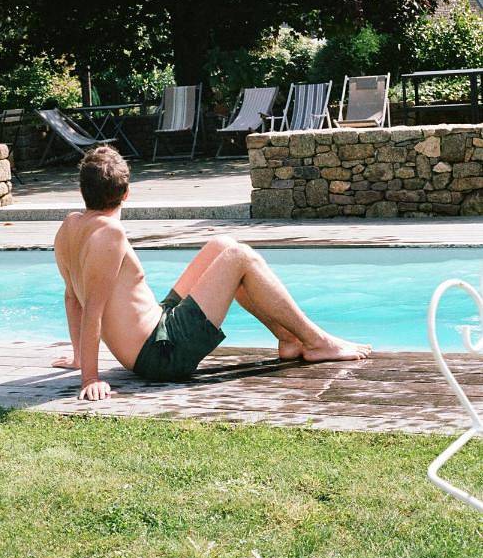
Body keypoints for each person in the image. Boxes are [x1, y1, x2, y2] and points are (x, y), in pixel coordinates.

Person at [53, 146, 371, 401]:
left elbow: (72, 298)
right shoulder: (110, 234)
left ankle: (289, 339)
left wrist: (80, 358)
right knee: (240, 256)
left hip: (158, 328)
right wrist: (90, 378)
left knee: (222, 246)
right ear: (126, 193)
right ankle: (316, 341)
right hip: (161, 354)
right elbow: (92, 309)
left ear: (83, 190)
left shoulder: (70, 228)